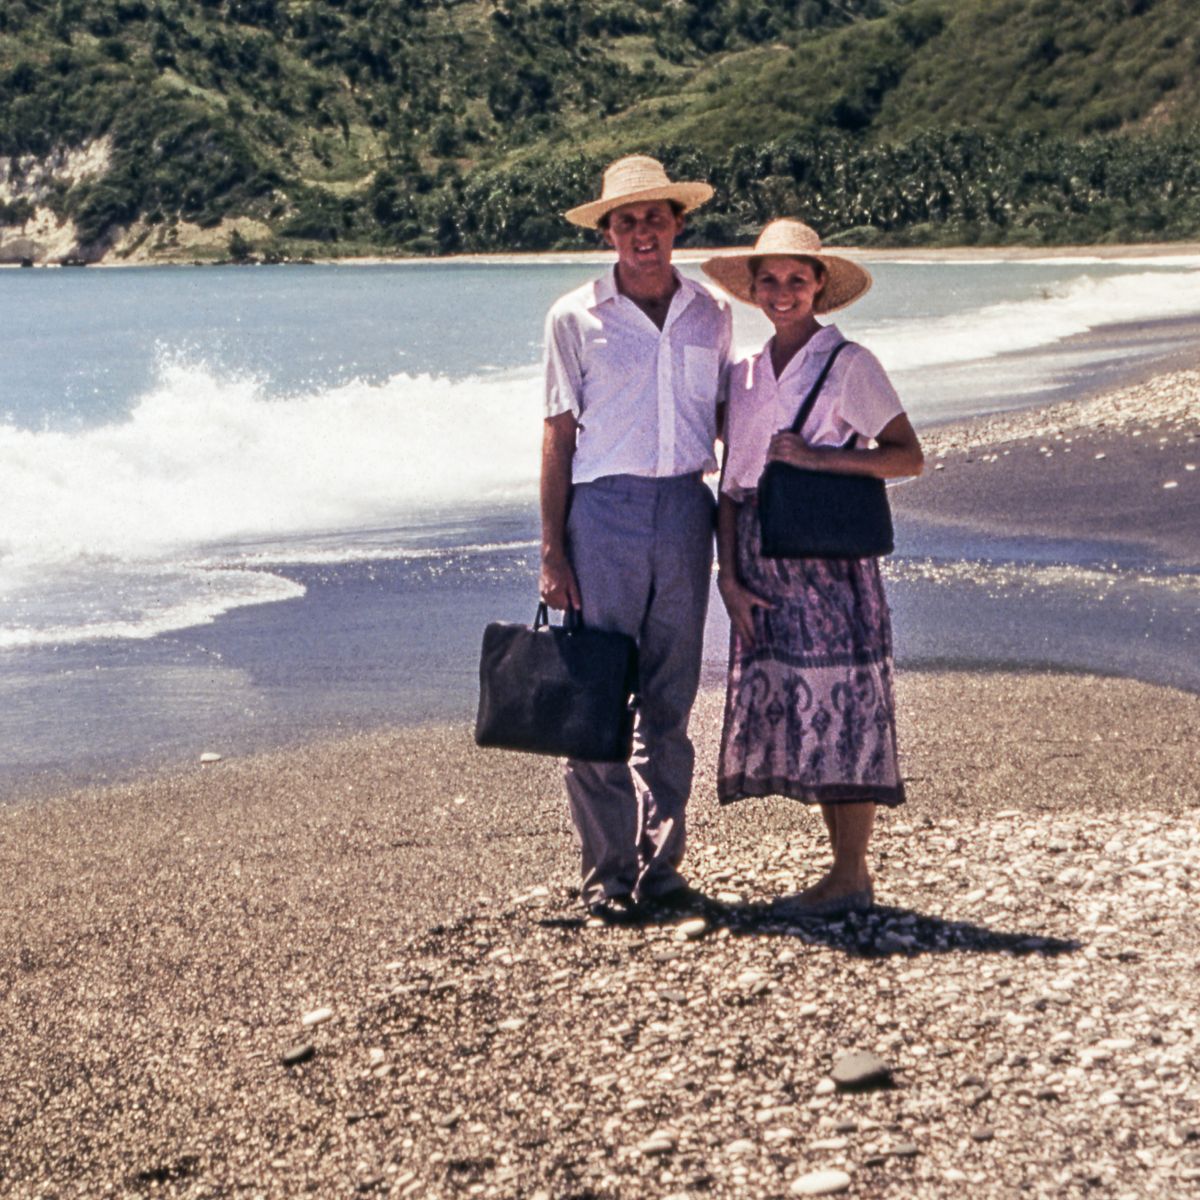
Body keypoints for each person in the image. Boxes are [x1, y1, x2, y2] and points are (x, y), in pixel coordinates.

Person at [701, 218, 923, 917]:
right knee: (806, 712)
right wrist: (727, 577)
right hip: (760, 560)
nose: (782, 291)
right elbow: (733, 483)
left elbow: (906, 456)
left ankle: (851, 872)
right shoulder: (743, 374)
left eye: (797, 279)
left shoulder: (850, 363)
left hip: (830, 561)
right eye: (769, 280)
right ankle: (841, 875)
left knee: (846, 708)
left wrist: (822, 458)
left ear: (820, 285)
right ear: (753, 290)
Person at [540, 155, 733, 922]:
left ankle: (662, 869)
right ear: (608, 232)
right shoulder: (574, 316)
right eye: (627, 220)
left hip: (688, 509)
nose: (642, 232)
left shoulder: (712, 312)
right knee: (595, 698)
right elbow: (557, 433)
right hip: (603, 515)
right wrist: (552, 551)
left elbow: (725, 420)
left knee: (670, 699)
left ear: (677, 223)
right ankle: (607, 875)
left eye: (655, 216)